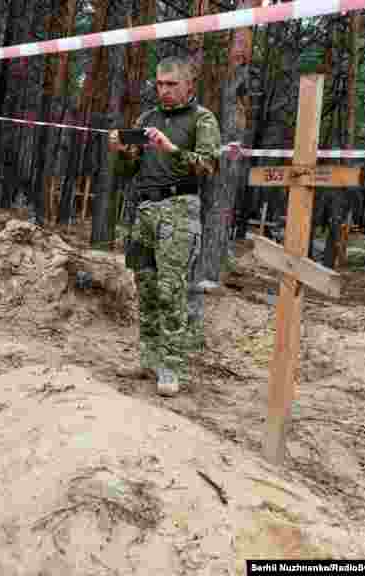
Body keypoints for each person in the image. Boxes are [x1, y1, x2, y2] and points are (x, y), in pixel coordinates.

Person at [109, 56, 221, 397]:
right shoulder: (147, 119)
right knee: (146, 287)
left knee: (171, 290)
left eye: (172, 84)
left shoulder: (202, 119)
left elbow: (208, 168)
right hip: (145, 208)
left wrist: (171, 150)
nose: (165, 90)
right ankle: (149, 359)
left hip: (179, 208)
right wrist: (122, 152)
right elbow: (126, 174)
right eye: (159, 84)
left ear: (189, 85)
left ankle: (172, 367)